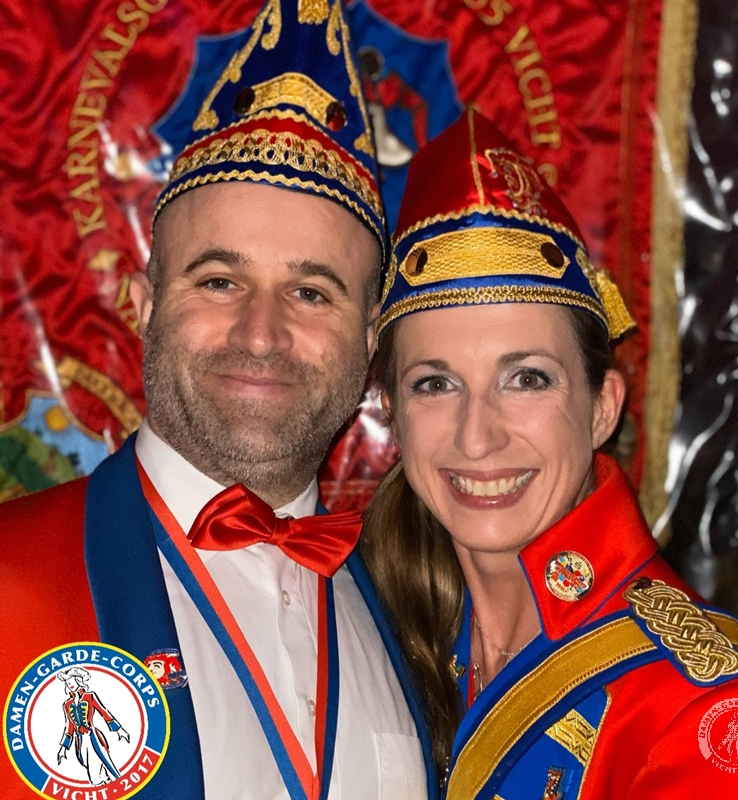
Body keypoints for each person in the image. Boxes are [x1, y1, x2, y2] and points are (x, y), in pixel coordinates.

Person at [1, 2, 437, 798]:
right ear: (145, 307)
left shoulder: (422, 626)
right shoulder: (8, 581)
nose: (261, 334)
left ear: (370, 339)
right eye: (219, 281)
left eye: (311, 292)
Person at [359, 108, 738, 799]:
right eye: (435, 384)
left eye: (527, 379)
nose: (477, 437)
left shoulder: (705, 714)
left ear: (602, 408)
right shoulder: (372, 629)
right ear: (391, 410)